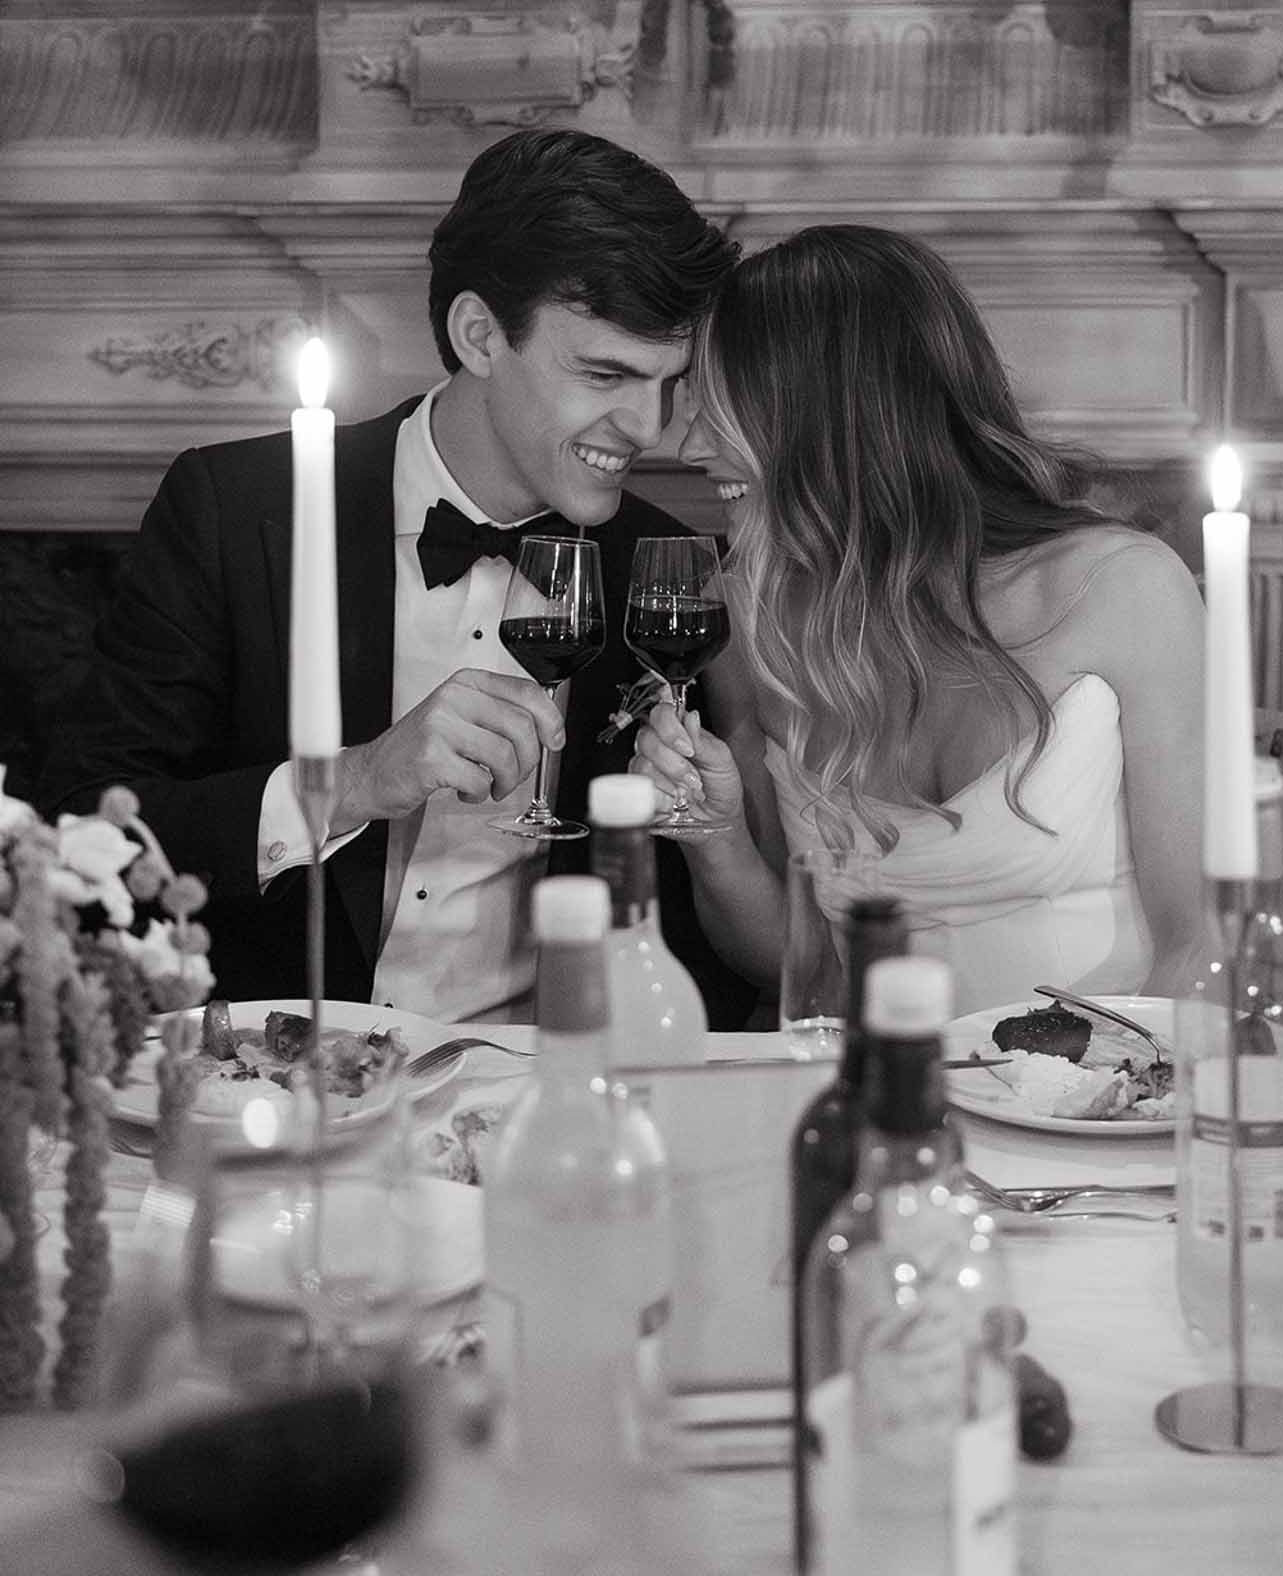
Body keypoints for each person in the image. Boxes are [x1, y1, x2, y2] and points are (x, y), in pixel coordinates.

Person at [40, 128, 754, 1025]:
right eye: (606, 373)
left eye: (669, 383)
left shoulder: (665, 573)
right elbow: (78, 827)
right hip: (276, 1083)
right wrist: (351, 781)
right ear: (480, 334)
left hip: (538, 1097)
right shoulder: (233, 508)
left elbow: (712, 942)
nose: (647, 428)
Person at [632, 223, 1283, 1013]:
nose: (687, 447)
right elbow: (799, 971)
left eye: (719, 411)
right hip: (880, 1100)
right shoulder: (756, 614)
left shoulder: (1121, 590)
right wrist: (714, 837)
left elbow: (1201, 945)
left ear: (833, 420)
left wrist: (1112, 1101)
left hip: (1102, 1099)